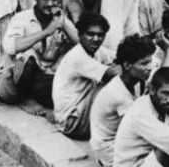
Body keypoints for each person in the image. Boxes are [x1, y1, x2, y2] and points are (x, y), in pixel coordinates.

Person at [0, 0, 75, 111]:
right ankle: (24, 100)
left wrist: (63, 23)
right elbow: (10, 47)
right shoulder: (21, 18)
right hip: (11, 86)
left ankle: (38, 97)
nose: (50, 4)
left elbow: (81, 45)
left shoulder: (59, 19)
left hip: (41, 81)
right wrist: (47, 31)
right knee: (28, 56)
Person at [89, 34, 156, 167]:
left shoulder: (136, 80)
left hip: (121, 141)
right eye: (144, 63)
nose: (149, 67)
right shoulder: (118, 93)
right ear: (127, 65)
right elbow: (139, 129)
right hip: (109, 151)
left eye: (150, 62)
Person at [51, 12, 119, 140]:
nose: (95, 39)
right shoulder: (78, 56)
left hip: (79, 114)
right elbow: (111, 73)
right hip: (71, 123)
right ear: (80, 35)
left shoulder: (96, 50)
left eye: (100, 35)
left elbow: (117, 55)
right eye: (90, 34)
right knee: (113, 84)